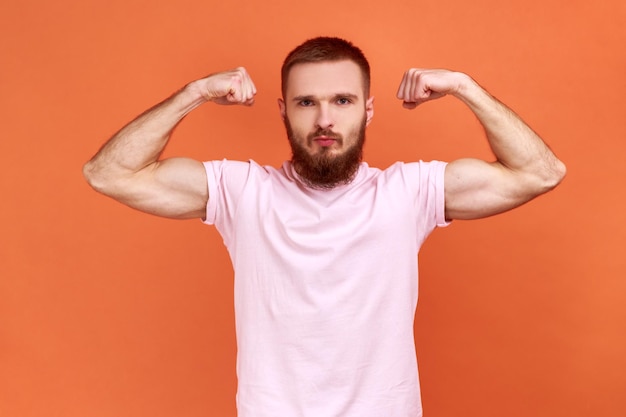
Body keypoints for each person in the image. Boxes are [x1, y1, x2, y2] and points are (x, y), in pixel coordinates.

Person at [83, 37, 565, 417]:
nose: (325, 120)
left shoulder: (407, 193)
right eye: (306, 102)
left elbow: (540, 172)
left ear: (368, 110)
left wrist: (463, 86)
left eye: (342, 100)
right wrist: (195, 94)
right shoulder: (244, 192)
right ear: (284, 111)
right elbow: (109, 173)